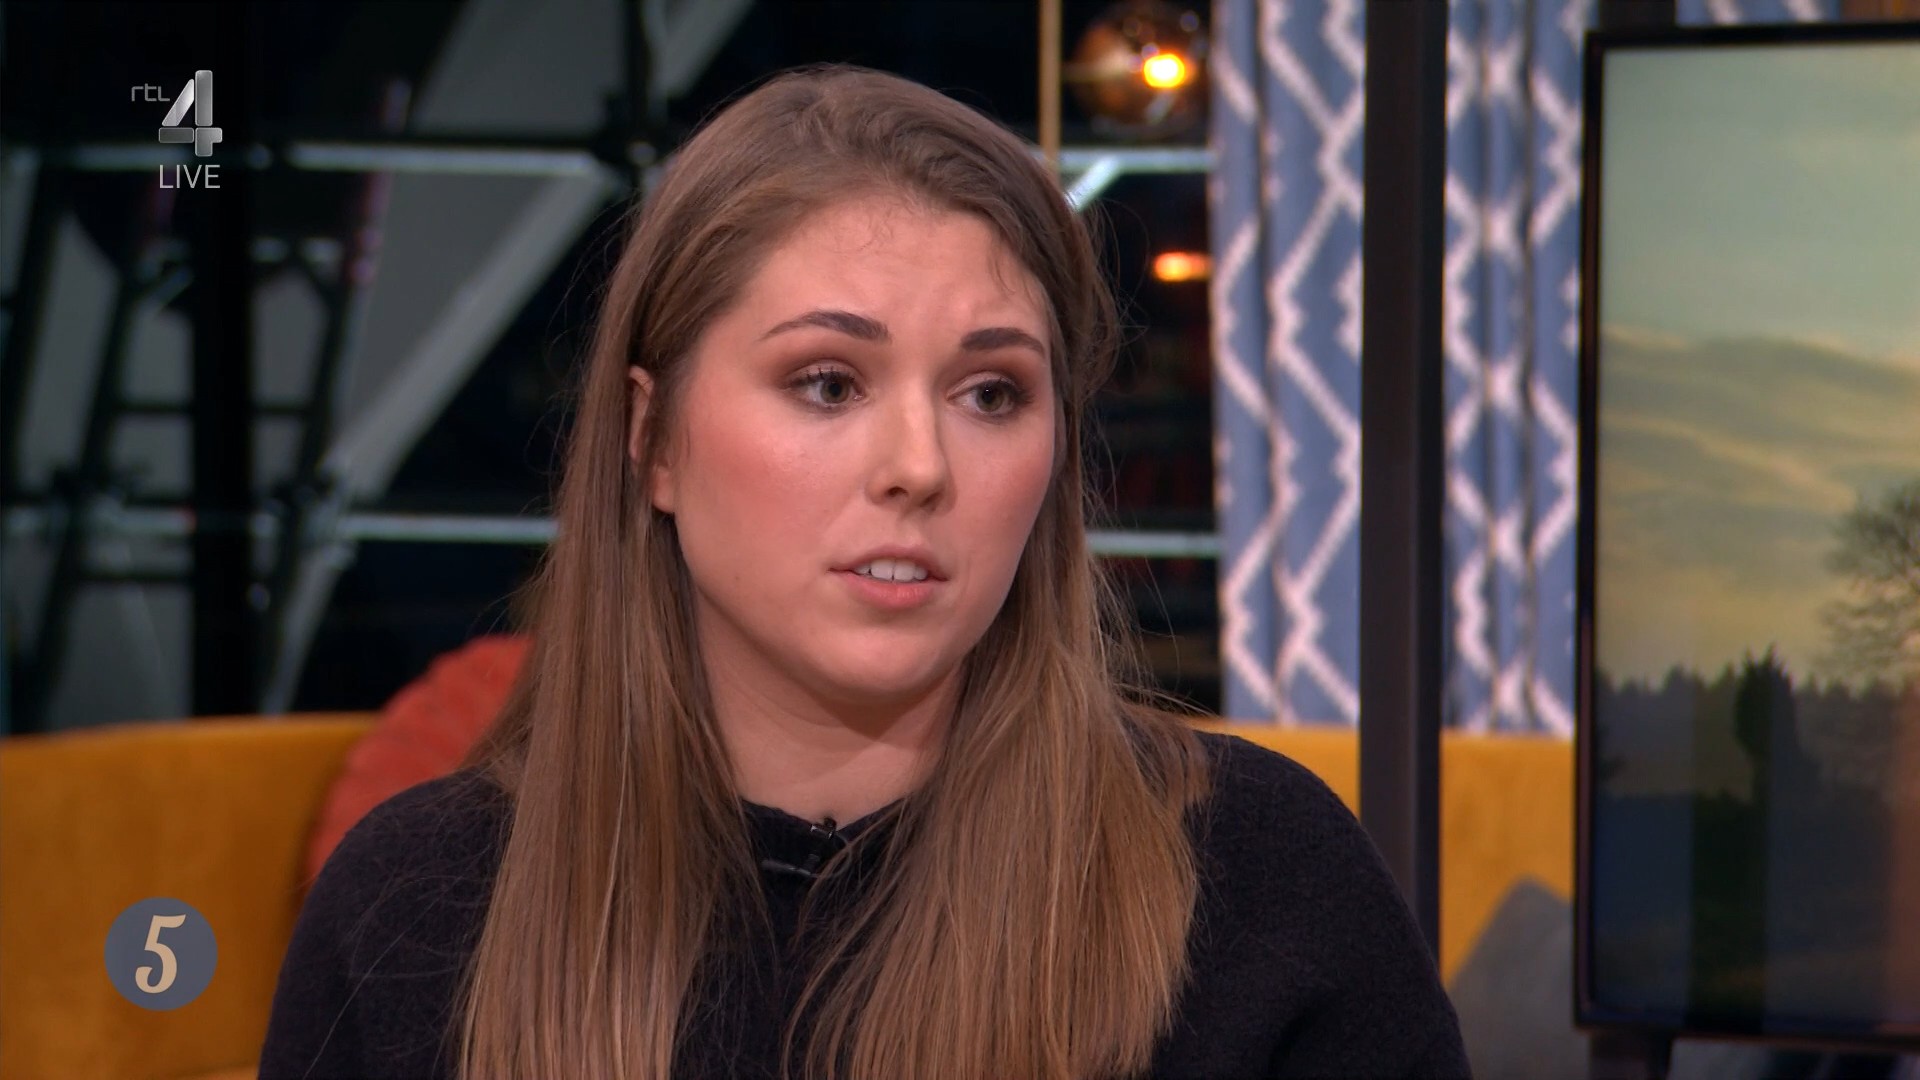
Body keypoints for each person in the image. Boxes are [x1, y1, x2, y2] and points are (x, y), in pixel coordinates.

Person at [258, 64, 1468, 1080]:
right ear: (653, 438)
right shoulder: (415, 911)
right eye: (828, 383)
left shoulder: (1257, 880)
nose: (920, 467)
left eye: (991, 393)